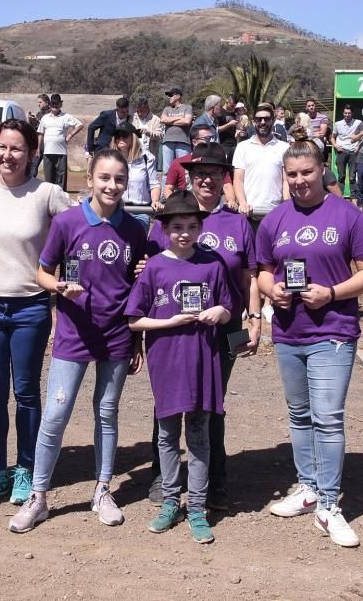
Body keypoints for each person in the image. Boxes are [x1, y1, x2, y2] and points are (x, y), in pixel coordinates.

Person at [8, 149, 147, 533]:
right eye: (104, 178)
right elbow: (41, 272)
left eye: (119, 179)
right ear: (89, 179)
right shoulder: (68, 222)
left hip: (117, 336)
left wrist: (139, 340)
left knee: (106, 413)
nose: (112, 186)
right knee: (56, 414)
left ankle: (102, 490)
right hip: (73, 334)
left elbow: (140, 284)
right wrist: (59, 287)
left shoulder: (135, 229)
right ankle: (38, 497)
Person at [257, 139, 363, 548]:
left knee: (328, 418)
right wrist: (272, 290)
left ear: (322, 170)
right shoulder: (275, 219)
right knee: (299, 414)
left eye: (306, 172)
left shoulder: (347, 215)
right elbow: (262, 271)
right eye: (291, 174)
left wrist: (331, 293)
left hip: (333, 331)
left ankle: (330, 505)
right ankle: (309, 489)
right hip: (289, 333)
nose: (299, 181)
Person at [0, 119, 71, 507]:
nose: (8, 156)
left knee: (25, 392)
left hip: (30, 307)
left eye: (17, 149)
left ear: (32, 152)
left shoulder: (48, 193)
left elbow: (78, 229)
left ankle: (25, 468)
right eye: (2, 148)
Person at [147, 143, 260, 511]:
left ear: (224, 177)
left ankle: (215, 481)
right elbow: (148, 270)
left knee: (212, 402)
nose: (207, 179)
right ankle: (163, 479)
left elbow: (249, 277)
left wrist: (254, 320)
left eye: (214, 173)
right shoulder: (172, 218)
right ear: (191, 177)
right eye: (200, 174)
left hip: (224, 326)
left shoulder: (238, 223)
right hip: (173, 328)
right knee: (168, 401)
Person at [126, 190, 234, 544]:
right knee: (167, 434)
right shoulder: (155, 266)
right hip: (167, 361)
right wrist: (170, 321)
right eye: (176, 227)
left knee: (199, 436)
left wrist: (221, 312)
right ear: (166, 229)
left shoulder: (212, 264)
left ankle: (198, 507)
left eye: (190, 225)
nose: (184, 233)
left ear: (200, 227)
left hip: (203, 360)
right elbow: (134, 319)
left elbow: (227, 307)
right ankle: (171, 500)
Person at [233, 103, 289, 220]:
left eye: (267, 119)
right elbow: (238, 180)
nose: (263, 122)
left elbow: (286, 181)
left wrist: (287, 205)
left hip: (275, 213)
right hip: (249, 213)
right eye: (259, 119)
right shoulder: (242, 147)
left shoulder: (284, 147)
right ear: (254, 122)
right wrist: (243, 204)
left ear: (273, 121)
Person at [163, 124, 237, 207]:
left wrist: (231, 201)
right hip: (187, 209)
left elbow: (227, 185)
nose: (211, 141)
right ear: (194, 142)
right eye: (207, 138)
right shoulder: (178, 163)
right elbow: (168, 189)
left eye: (213, 138)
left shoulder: (218, 164)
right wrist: (177, 204)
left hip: (213, 207)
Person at [113, 122, 161, 230]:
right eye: (117, 135)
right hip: (116, 210)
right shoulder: (110, 158)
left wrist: (155, 200)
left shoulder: (147, 158)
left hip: (141, 212)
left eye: (124, 135)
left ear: (133, 137)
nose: (121, 138)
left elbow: (154, 184)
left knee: (138, 243)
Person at [36, 93, 83, 191]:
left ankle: (61, 198)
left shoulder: (66, 117)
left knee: (61, 178)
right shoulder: (45, 118)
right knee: (49, 178)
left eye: (56, 104)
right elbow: (40, 133)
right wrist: (37, 148)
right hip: (47, 152)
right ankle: (49, 197)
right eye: (53, 104)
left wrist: (70, 135)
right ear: (50, 105)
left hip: (61, 152)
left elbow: (79, 125)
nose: (54, 106)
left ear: (60, 104)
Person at [159, 88, 193, 179]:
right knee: (167, 171)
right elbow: (163, 120)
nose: (169, 97)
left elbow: (187, 121)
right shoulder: (167, 109)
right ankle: (165, 192)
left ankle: (184, 192)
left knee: (184, 169)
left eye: (171, 95)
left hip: (183, 143)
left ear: (178, 96)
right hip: (167, 143)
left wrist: (169, 121)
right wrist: (180, 118)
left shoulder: (187, 107)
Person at [331, 105, 362, 192]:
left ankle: (354, 197)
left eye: (349, 113)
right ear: (343, 113)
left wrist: (358, 146)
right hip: (342, 151)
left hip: (354, 151)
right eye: (345, 113)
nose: (347, 115)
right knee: (341, 176)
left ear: (352, 114)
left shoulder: (358, 122)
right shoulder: (337, 124)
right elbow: (332, 137)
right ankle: (340, 197)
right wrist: (336, 146)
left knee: (352, 176)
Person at [130, 97, 163, 168]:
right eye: (137, 111)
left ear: (147, 108)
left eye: (142, 111)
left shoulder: (155, 119)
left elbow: (160, 135)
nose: (139, 113)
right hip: (135, 153)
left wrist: (148, 132)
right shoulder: (132, 118)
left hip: (150, 154)